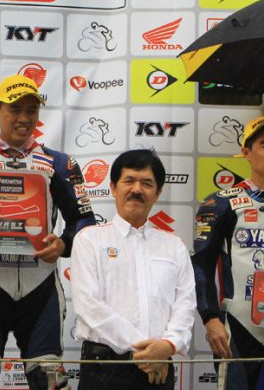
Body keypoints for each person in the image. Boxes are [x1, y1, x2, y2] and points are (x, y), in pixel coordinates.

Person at [0, 74, 95, 390]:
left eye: (31, 110)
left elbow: (84, 222)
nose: (24, 118)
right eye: (15, 109)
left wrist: (63, 244)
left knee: (51, 379)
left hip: (41, 285)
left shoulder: (59, 164)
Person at [192, 114, 264, 390]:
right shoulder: (220, 203)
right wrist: (210, 319)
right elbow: (201, 264)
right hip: (238, 327)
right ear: (246, 152)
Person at [70, 149, 196, 389]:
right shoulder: (89, 240)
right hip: (105, 368)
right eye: (129, 181)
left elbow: (186, 304)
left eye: (147, 183)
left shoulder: (174, 246)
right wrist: (149, 352)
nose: (137, 189)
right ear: (113, 187)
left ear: (157, 193)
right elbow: (88, 305)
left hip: (159, 368)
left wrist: (168, 346)